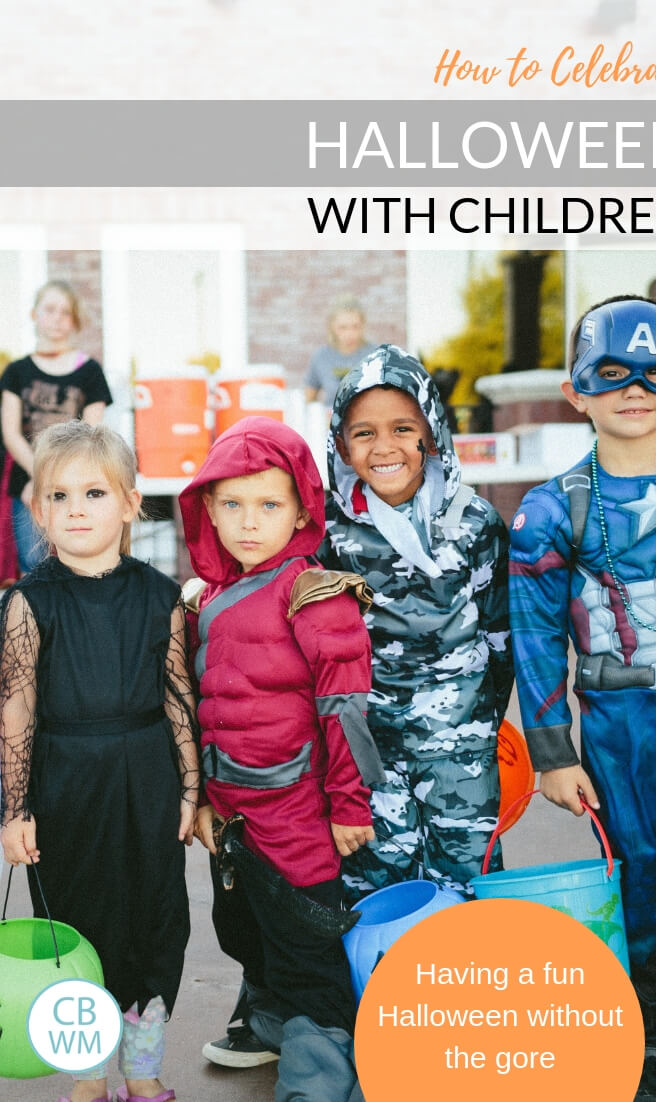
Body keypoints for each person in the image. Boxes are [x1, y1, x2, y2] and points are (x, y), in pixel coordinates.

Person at [508, 296, 656, 1102]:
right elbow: (534, 635)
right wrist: (552, 752)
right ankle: (647, 1048)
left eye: (654, 372)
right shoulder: (549, 509)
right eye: (610, 374)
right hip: (617, 728)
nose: (633, 389)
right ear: (575, 389)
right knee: (633, 892)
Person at [178, 416, 382, 1101]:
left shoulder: (313, 595)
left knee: (304, 948)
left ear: (300, 509)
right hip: (232, 817)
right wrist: (202, 800)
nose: (248, 522)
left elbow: (345, 710)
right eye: (231, 504)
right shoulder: (205, 598)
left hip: (297, 812)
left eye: (268, 505)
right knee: (247, 931)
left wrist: (350, 806)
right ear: (207, 507)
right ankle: (267, 1027)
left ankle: (317, 1080)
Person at [0, 420, 199, 1102]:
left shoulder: (158, 594)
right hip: (66, 787)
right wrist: (14, 810)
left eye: (93, 492)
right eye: (58, 496)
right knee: (75, 929)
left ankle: (142, 1071)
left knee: (157, 919)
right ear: (38, 512)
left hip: (146, 777)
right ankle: (88, 1074)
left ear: (130, 502)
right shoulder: (29, 601)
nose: (76, 508)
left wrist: (190, 789)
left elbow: (178, 693)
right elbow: (16, 710)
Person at [319, 344, 514, 901]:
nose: (385, 447)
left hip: (461, 747)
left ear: (431, 431)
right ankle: (382, 989)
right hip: (369, 752)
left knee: (469, 885)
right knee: (378, 891)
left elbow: (499, 639)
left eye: (404, 428)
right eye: (364, 433)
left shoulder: (474, 521)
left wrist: (473, 721)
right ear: (340, 442)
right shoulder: (329, 532)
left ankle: (468, 988)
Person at [0, 280, 113, 575]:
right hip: (28, 487)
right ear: (35, 314)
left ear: (75, 320)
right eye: (49, 310)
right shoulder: (16, 372)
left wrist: (53, 483)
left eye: (66, 312)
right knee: (33, 569)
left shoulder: (89, 371)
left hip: (75, 484)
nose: (57, 318)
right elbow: (11, 433)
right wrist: (39, 480)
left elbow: (90, 434)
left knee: (78, 565)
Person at [304, 297, 377, 407]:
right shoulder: (321, 356)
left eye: (355, 326)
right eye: (343, 327)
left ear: (363, 325)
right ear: (332, 327)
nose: (350, 333)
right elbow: (309, 399)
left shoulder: (376, 355)